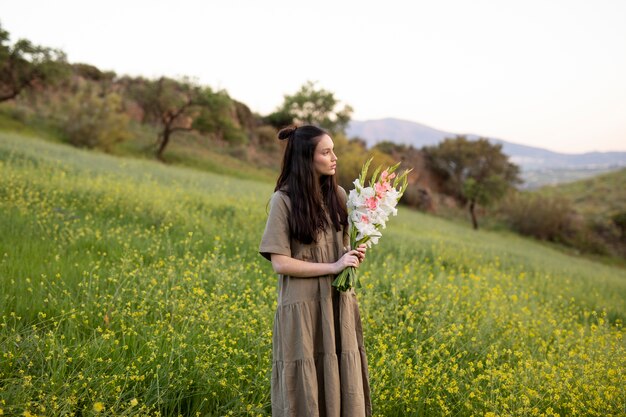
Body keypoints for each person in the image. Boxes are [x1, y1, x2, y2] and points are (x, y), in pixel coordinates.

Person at [259, 124, 372, 417]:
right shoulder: (282, 201)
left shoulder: (339, 196)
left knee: (341, 379)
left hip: (337, 302)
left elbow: (341, 249)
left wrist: (352, 254)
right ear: (306, 159)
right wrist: (333, 266)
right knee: (306, 387)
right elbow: (280, 262)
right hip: (303, 308)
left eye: (333, 150)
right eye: (326, 152)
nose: (334, 157)